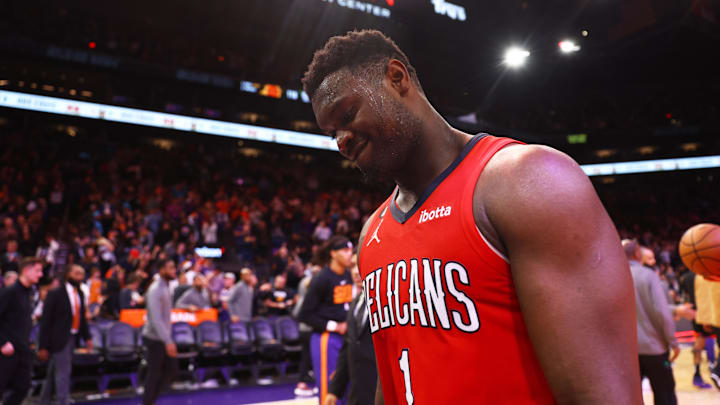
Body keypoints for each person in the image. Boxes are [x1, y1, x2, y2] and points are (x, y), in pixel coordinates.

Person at [303, 29, 640, 404]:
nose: (342, 140)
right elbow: (394, 379)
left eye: (347, 115)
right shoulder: (372, 234)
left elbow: (602, 396)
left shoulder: (526, 180)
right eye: (332, 133)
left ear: (397, 78)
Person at [298, 236, 354, 405]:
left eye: (350, 250)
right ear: (333, 254)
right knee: (329, 387)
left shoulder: (349, 275)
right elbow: (305, 314)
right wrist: (335, 326)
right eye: (345, 250)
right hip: (326, 338)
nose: (349, 254)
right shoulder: (322, 278)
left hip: (347, 337)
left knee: (346, 386)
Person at [624, 240, 679, 404]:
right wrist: (673, 342)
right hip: (654, 349)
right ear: (637, 254)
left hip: (626, 352)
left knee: (627, 397)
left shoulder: (611, 276)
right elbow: (661, 313)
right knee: (665, 395)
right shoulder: (648, 276)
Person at [37, 264, 93, 405]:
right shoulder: (55, 293)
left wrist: (87, 338)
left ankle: (44, 401)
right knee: (63, 373)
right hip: (59, 338)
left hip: (73, 337)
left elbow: (81, 318)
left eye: (82, 274)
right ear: (68, 275)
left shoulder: (79, 293)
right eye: (77, 273)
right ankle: (63, 401)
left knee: (54, 372)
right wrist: (42, 346)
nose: (80, 277)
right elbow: (46, 322)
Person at [326, 254, 377, 405]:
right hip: (358, 393)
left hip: (382, 394)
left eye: (360, 264)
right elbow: (348, 347)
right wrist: (335, 389)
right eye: (353, 266)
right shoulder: (355, 302)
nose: (356, 271)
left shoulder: (390, 301)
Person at [0, 258, 44, 405]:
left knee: (23, 387)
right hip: (8, 350)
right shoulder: (10, 292)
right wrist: (3, 342)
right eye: (37, 270)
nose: (41, 274)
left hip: (23, 349)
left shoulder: (29, 293)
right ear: (26, 270)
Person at [141, 259, 178, 405]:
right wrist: (168, 341)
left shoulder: (166, 287)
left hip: (162, 337)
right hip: (154, 338)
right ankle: (148, 402)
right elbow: (156, 319)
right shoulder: (156, 289)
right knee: (154, 374)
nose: (174, 270)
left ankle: (150, 400)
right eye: (170, 268)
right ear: (161, 270)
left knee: (170, 371)